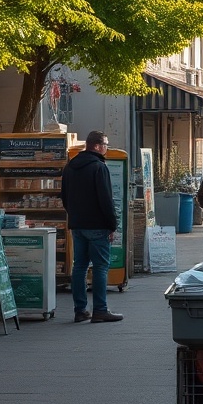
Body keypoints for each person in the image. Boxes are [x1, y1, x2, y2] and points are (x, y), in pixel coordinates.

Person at [60, 130, 123, 323]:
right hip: (97, 225)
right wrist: (112, 224)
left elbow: (64, 196)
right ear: (96, 146)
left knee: (79, 266)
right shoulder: (99, 167)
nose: (107, 148)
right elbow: (106, 200)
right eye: (105, 144)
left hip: (77, 224)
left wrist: (74, 215)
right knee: (100, 267)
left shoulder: (71, 166)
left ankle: (80, 310)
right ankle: (100, 310)